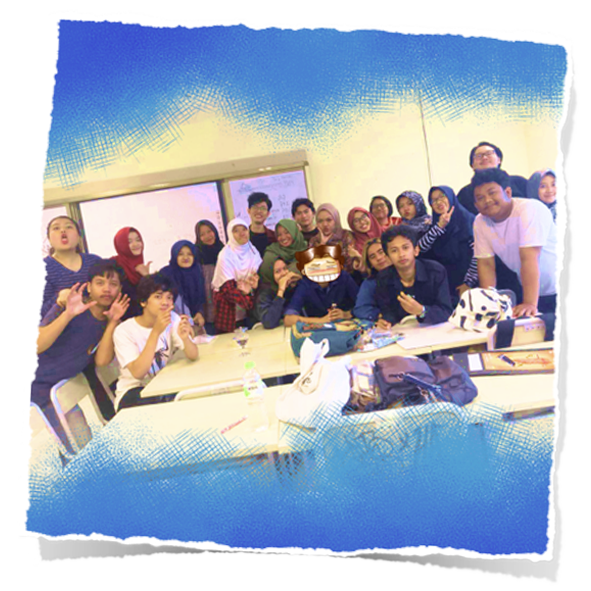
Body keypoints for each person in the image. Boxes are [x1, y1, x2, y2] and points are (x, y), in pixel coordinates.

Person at [32, 260, 130, 449]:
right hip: (35, 388)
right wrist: (68, 313)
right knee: (63, 450)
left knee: (84, 444)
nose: (107, 289)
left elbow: (101, 361)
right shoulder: (68, 305)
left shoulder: (111, 321)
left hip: (62, 390)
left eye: (113, 284)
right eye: (100, 283)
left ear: (120, 290)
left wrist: (112, 323)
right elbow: (36, 345)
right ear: (89, 287)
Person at [472, 168, 557, 317]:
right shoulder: (480, 222)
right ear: (476, 205)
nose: (487, 200)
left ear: (508, 192)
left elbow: (529, 257)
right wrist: (488, 305)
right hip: (536, 292)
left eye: (492, 193)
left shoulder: (530, 209)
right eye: (480, 197)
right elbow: (486, 264)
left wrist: (530, 303)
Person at [113, 273, 199, 411]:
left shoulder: (172, 318)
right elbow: (138, 373)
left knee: (194, 392)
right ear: (143, 302)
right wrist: (156, 332)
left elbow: (193, 355)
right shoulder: (124, 331)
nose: (165, 302)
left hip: (163, 385)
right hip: (133, 392)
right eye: (158, 297)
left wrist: (185, 338)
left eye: (169, 297)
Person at [375, 225, 453, 328]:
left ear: (416, 250)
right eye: (394, 250)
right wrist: (386, 321)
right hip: (404, 330)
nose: (401, 254)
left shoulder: (435, 271)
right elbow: (388, 311)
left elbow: (446, 311)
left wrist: (421, 311)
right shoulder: (383, 278)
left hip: (434, 328)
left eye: (405, 248)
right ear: (388, 257)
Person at [419, 185, 479, 304]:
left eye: (442, 196)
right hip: (445, 285)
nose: (438, 202)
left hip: (470, 284)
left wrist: (468, 283)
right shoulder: (433, 224)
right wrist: (439, 226)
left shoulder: (468, 221)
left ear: (451, 197)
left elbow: (478, 255)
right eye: (434, 200)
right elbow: (421, 248)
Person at [40, 215, 102, 318]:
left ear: (79, 236)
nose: (63, 230)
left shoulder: (95, 261)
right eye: (56, 228)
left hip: (100, 322)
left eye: (69, 227)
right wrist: (58, 299)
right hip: (62, 326)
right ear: (49, 239)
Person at [284, 244, 359, 327]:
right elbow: (288, 319)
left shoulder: (343, 277)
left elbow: (364, 305)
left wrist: (347, 314)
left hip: (345, 324)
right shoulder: (305, 284)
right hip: (318, 328)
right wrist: (320, 320)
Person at [212, 219, 262, 333]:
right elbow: (228, 290)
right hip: (229, 313)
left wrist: (251, 288)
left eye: (244, 229)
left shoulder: (253, 251)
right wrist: (248, 296)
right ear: (230, 234)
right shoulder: (225, 255)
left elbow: (259, 279)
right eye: (236, 231)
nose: (242, 233)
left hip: (250, 313)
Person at [457, 141, 528, 216]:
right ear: (472, 165)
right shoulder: (464, 193)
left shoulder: (519, 182)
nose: (484, 158)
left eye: (489, 153)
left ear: (499, 159)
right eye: (479, 156)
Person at [159, 240, 206, 331]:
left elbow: (201, 297)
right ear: (175, 256)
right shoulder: (166, 274)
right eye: (181, 254)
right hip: (172, 323)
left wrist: (200, 312)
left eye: (189, 254)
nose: (185, 257)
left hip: (194, 324)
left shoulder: (197, 272)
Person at [112, 227, 152, 319]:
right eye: (129, 242)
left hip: (143, 320)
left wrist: (147, 276)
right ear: (122, 244)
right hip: (121, 320)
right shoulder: (114, 265)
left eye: (138, 240)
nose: (136, 244)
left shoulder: (141, 267)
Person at [308, 203, 357, 276]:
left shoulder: (346, 236)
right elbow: (312, 268)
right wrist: (322, 246)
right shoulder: (314, 240)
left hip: (346, 278)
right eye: (320, 221)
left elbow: (350, 266)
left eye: (329, 220)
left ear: (336, 220)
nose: (325, 224)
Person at [252, 257, 301, 329]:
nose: (284, 273)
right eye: (278, 271)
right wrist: (280, 291)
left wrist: (300, 281)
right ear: (269, 275)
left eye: (285, 268)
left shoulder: (290, 285)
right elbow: (269, 322)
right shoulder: (263, 293)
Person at [194, 220, 224, 333]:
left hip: (227, 305)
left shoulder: (224, 251)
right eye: (202, 234)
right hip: (209, 308)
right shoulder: (196, 256)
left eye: (209, 231)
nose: (207, 236)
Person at [352, 237, 393, 322]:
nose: (379, 258)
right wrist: (379, 315)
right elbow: (360, 309)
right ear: (370, 264)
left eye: (381, 252)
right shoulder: (370, 282)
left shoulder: (406, 271)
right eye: (372, 256)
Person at [258, 219, 307, 286]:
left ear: (294, 231)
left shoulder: (305, 249)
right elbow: (265, 275)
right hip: (272, 289)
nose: (283, 237)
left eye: (287, 232)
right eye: (279, 235)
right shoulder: (273, 251)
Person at [346, 207, 383, 274]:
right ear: (352, 225)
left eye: (363, 217)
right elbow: (365, 272)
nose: (362, 222)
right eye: (356, 221)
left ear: (369, 217)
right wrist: (358, 257)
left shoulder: (386, 232)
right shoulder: (354, 246)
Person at [247, 192, 276, 257]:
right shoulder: (242, 237)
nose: (259, 211)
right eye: (255, 207)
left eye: (263, 208)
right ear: (248, 210)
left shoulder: (274, 237)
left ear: (268, 213)